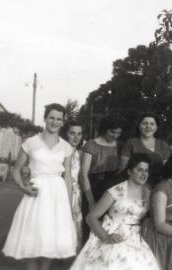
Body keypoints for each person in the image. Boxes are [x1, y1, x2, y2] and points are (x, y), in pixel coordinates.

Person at [3, 103, 76, 270]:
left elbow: (68, 178)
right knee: (33, 242)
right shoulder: (31, 142)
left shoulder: (66, 147)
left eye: (59, 119)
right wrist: (23, 187)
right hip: (37, 194)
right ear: (45, 118)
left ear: (63, 122)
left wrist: (68, 205)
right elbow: (16, 169)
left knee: (50, 242)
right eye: (51, 117)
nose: (55, 122)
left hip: (57, 197)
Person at [70, 153, 160, 270]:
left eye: (146, 170)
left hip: (135, 236)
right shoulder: (116, 190)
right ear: (129, 172)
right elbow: (91, 217)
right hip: (114, 233)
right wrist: (106, 236)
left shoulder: (148, 191)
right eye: (140, 170)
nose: (144, 174)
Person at [80, 113, 126, 242]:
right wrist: (90, 200)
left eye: (118, 133)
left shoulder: (120, 146)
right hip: (93, 187)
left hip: (112, 189)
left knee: (108, 225)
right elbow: (84, 174)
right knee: (90, 224)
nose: (115, 136)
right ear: (105, 129)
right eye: (113, 132)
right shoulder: (91, 144)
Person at [120, 113, 170, 187]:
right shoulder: (130, 143)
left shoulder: (163, 145)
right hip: (134, 184)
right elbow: (124, 168)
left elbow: (167, 170)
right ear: (139, 126)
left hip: (157, 185)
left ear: (156, 128)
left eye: (152, 124)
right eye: (144, 123)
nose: (148, 126)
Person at [61, 119, 84, 251]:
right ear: (66, 134)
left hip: (76, 194)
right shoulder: (61, 151)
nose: (76, 137)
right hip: (62, 192)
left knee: (74, 227)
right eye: (72, 133)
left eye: (79, 134)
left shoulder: (79, 154)